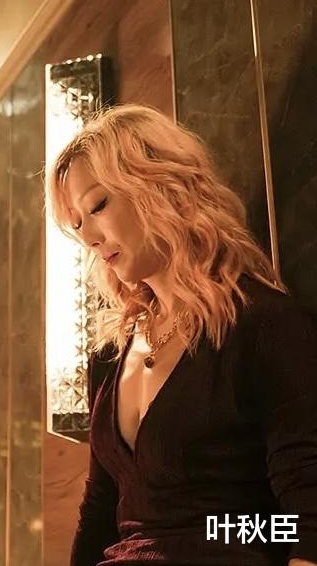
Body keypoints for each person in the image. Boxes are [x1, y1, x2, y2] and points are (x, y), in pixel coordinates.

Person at [45, 104, 317, 566]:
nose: (88, 236)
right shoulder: (109, 357)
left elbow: (306, 511)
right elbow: (100, 512)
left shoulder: (264, 325)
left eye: (98, 205)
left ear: (159, 185)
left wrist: (222, 533)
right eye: (77, 224)